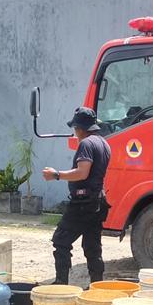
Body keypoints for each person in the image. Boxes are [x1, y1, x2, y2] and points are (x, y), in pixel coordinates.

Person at [42, 106, 112, 285]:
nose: (75, 133)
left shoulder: (86, 144)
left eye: (75, 129)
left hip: (83, 203)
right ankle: (97, 285)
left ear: (80, 128)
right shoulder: (103, 143)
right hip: (97, 201)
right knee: (92, 247)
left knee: (61, 240)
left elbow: (82, 172)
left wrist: (56, 174)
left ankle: (61, 284)